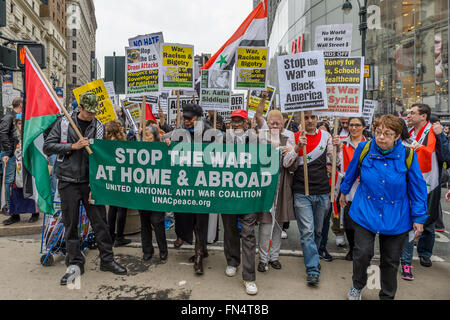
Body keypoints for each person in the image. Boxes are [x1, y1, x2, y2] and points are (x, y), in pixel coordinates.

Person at [340, 114, 427, 300]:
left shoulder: (408, 154)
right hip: (366, 209)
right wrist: (343, 192)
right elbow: (351, 171)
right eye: (378, 132)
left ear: (397, 136)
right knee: (362, 253)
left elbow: (418, 189)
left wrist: (419, 218)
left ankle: (387, 295)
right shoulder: (364, 148)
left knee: (390, 260)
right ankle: (357, 285)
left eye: (387, 134)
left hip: (396, 214)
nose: (381, 137)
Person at [44, 92, 127, 285]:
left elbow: (100, 157)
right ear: (80, 108)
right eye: (88, 111)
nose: (91, 115)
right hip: (67, 181)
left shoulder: (98, 126)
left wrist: (96, 185)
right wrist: (72, 146)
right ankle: (75, 265)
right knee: (71, 226)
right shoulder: (64, 123)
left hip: (90, 183)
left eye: (94, 112)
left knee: (101, 224)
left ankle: (107, 260)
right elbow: (48, 146)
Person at [163, 103, 219, 275]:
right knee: (189, 218)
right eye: (184, 118)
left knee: (200, 221)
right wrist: (167, 142)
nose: (186, 121)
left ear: (199, 118)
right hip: (186, 183)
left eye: (190, 118)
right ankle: (201, 248)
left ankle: (199, 257)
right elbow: (166, 139)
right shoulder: (180, 132)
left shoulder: (210, 132)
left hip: (203, 183)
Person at [292, 111, 340, 286]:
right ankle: (312, 269)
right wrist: (297, 147)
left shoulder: (326, 136)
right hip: (301, 192)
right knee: (307, 232)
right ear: (301, 120)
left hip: (322, 191)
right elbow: (287, 163)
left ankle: (313, 254)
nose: (310, 120)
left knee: (318, 231)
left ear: (317, 119)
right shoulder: (294, 136)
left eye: (313, 117)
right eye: (306, 117)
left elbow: (336, 161)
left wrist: (338, 148)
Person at [401, 104, 449, 275]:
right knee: (408, 219)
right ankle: (405, 258)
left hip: (430, 181)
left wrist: (441, 135)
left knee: (428, 220)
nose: (409, 116)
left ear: (423, 116)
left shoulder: (433, 132)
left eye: (412, 113)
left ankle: (424, 253)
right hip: (410, 180)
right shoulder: (410, 133)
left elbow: (445, 155)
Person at [220, 109, 261, 295]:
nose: (236, 124)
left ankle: (249, 278)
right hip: (228, 195)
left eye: (240, 121)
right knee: (229, 230)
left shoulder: (257, 140)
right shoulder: (221, 140)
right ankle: (232, 261)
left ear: (246, 123)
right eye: (233, 121)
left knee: (248, 234)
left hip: (249, 195)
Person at [257, 109, 298, 273]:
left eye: (278, 123)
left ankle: (274, 257)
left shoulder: (289, 137)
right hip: (265, 184)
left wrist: (294, 150)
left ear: (282, 123)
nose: (275, 125)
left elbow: (288, 163)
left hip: (282, 184)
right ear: (267, 122)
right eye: (272, 122)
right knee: (265, 223)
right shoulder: (260, 136)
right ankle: (262, 258)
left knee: (278, 223)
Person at [337, 117, 367, 262]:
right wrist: (334, 148)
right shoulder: (341, 143)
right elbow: (335, 161)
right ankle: (352, 247)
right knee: (348, 219)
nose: (354, 128)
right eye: (351, 125)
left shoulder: (370, 144)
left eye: (357, 125)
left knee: (363, 219)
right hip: (347, 185)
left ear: (363, 127)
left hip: (365, 186)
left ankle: (360, 248)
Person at [2, 116, 39, 225]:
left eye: (22, 123)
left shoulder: (32, 135)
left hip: (29, 166)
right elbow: (12, 148)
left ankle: (34, 213)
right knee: (15, 190)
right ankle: (14, 214)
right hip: (17, 167)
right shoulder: (14, 136)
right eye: (18, 124)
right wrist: (7, 155)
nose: (20, 126)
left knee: (30, 188)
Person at [139, 125, 168, 262]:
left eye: (148, 135)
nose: (146, 138)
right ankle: (147, 250)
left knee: (157, 221)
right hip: (143, 192)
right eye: (144, 135)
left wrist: (168, 145)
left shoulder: (162, 147)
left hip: (158, 192)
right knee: (144, 223)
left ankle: (163, 249)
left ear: (155, 136)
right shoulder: (137, 149)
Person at [105, 120, 132, 247]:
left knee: (112, 208)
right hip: (121, 177)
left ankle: (110, 235)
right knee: (122, 208)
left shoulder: (105, 143)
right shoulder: (122, 143)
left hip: (110, 178)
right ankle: (119, 237)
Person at [0, 98, 27, 219]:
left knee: (12, 180)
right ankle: (7, 206)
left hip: (12, 152)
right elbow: (3, 133)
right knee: (9, 180)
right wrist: (9, 151)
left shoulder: (14, 116)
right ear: (21, 104)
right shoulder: (9, 117)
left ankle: (11, 206)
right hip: (9, 154)